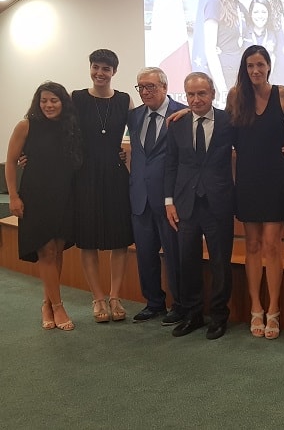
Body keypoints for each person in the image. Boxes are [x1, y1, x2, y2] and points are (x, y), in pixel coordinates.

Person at [226, 45, 284, 339]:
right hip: (248, 180)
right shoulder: (234, 96)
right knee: (251, 245)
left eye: (260, 65)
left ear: (269, 66)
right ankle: (256, 307)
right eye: (250, 65)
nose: (255, 70)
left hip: (275, 179)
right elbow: (222, 131)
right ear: (245, 68)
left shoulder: (283, 94)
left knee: (271, 246)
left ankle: (274, 310)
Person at [5, 82, 82, 331]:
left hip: (63, 196)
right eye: (44, 100)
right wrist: (14, 196)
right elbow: (10, 162)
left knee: (57, 251)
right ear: (37, 102)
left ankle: (47, 304)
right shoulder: (26, 125)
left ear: (63, 103)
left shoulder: (70, 126)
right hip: (35, 196)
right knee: (46, 251)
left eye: (54, 100)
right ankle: (58, 306)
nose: (48, 105)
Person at [164, 72, 236, 340]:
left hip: (218, 203)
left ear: (213, 93)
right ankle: (193, 314)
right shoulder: (178, 125)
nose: (196, 99)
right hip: (185, 204)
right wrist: (169, 201)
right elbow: (171, 164)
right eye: (191, 94)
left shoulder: (229, 121)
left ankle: (218, 316)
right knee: (188, 261)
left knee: (220, 263)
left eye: (202, 93)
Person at [72, 48, 134, 323]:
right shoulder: (76, 99)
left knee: (119, 240)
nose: (100, 73)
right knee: (88, 240)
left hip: (115, 173)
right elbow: (58, 130)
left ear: (114, 72)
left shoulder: (124, 100)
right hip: (85, 175)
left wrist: (126, 153)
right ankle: (97, 298)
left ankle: (115, 296)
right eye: (96, 67)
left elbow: (143, 129)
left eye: (105, 69)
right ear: (90, 68)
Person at [128, 67, 187, 324]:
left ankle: (181, 305)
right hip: (140, 198)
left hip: (169, 200)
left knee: (175, 255)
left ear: (164, 87)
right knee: (145, 254)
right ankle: (154, 303)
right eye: (141, 87)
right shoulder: (134, 116)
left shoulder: (183, 114)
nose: (145, 91)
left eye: (150, 86)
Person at [203, 0, 250, 96]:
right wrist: (222, 89)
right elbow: (210, 49)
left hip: (238, 79)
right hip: (222, 81)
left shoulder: (239, 6)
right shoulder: (214, 3)